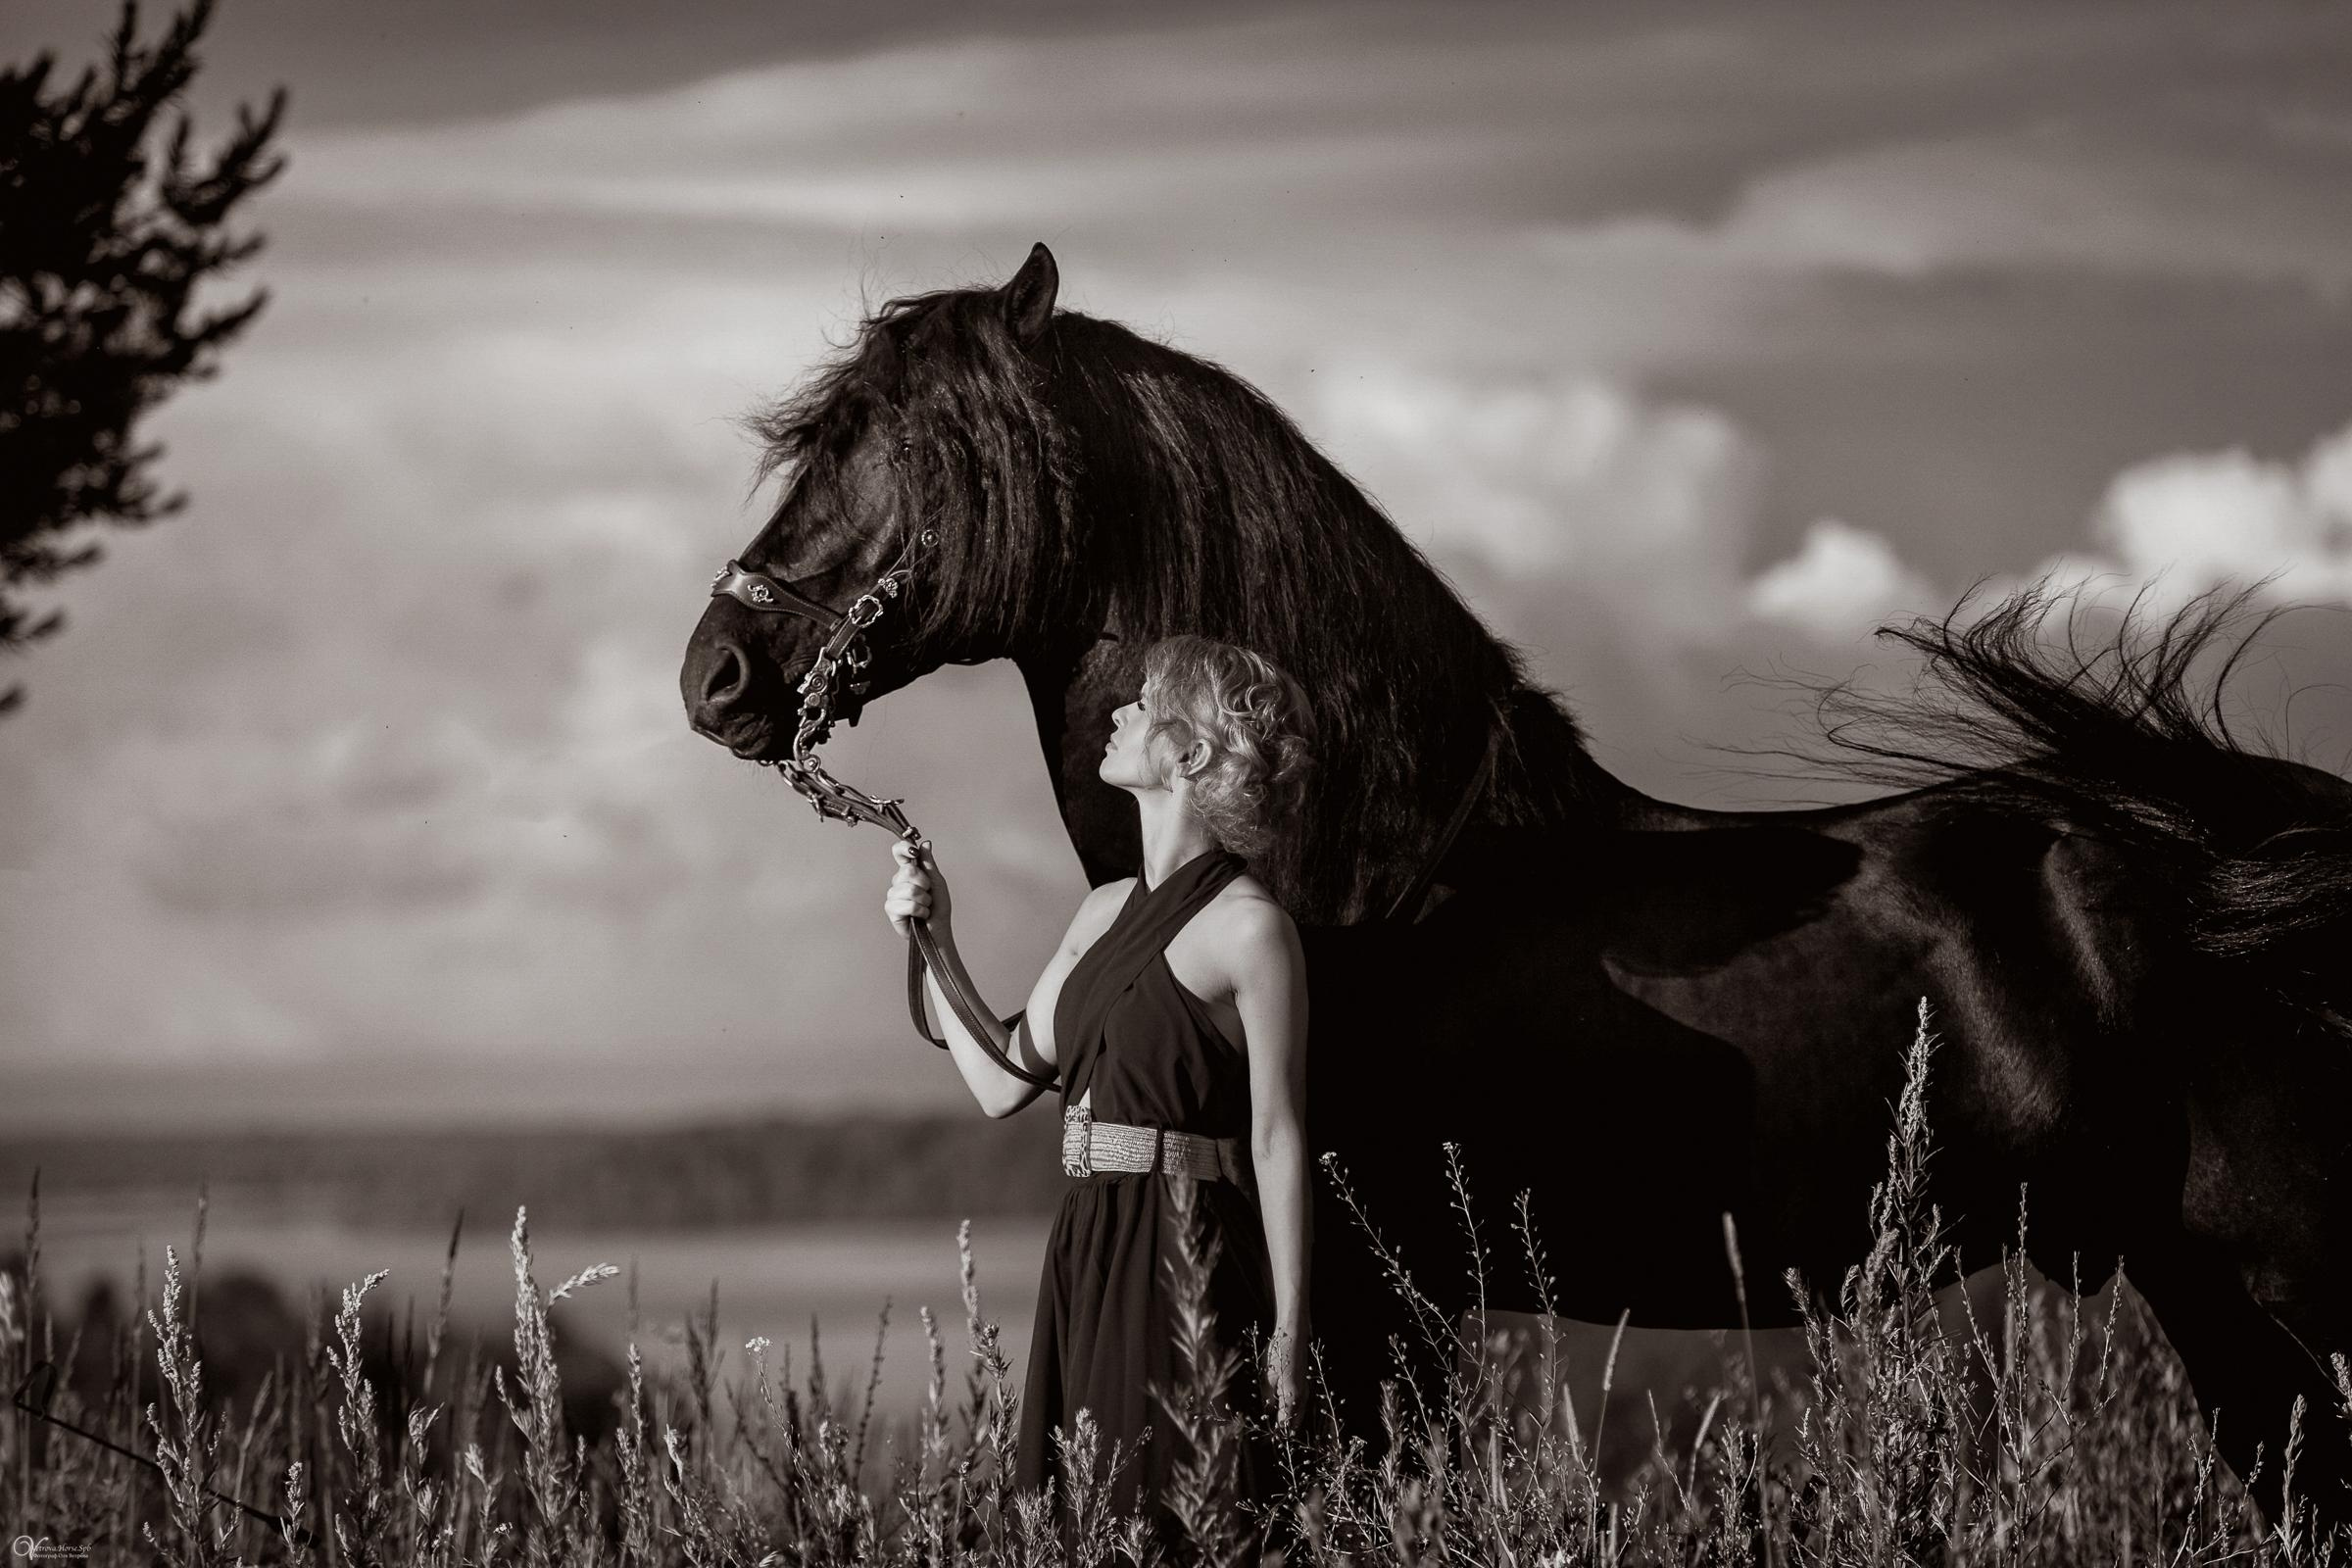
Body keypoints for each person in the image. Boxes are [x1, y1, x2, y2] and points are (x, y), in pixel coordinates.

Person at [881, 633, 1315, 1527]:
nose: (1119, 712)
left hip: (1183, 1250)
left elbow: (1278, 1137)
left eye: (1144, 704)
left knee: (1165, 1514)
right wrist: (934, 937)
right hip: (1085, 1239)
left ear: (1190, 756)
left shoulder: (1251, 930)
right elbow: (1001, 1082)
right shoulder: (1101, 909)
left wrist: (1290, 1327)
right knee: (1079, 1514)